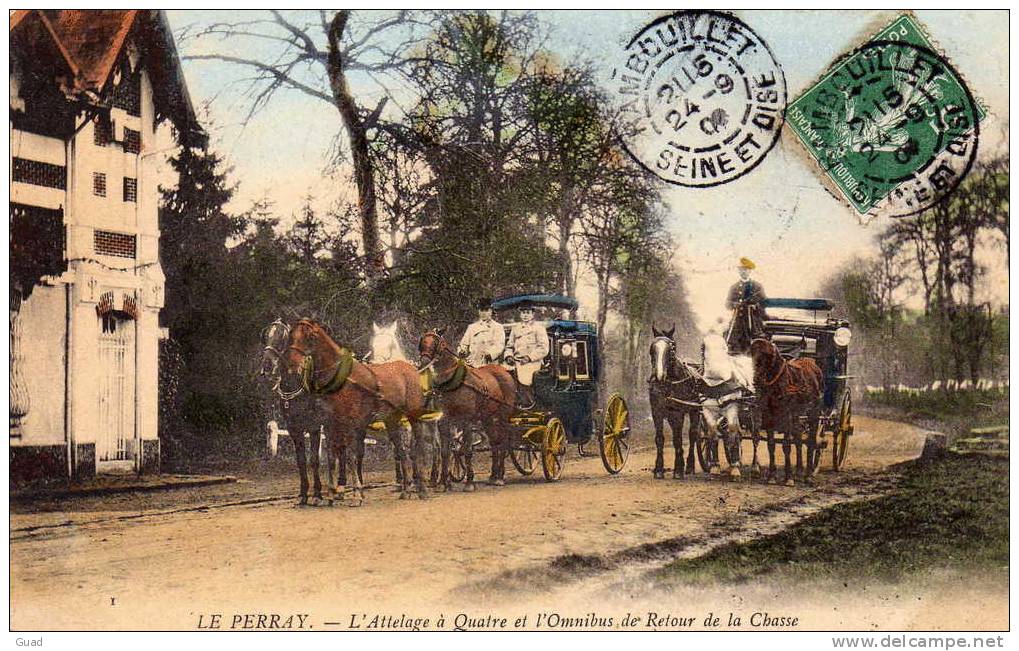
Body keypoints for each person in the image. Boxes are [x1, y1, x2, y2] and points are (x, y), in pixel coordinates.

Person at [504, 305, 550, 409]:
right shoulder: (515, 329)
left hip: (532, 362)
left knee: (524, 377)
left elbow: (543, 348)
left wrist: (529, 358)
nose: (525, 315)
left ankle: (527, 403)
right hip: (516, 361)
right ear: (520, 314)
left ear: (532, 314)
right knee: (502, 375)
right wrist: (509, 356)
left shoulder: (539, 328)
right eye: (523, 313)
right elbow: (509, 346)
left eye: (528, 312)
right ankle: (507, 403)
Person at [725, 257, 767, 354]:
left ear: (750, 271)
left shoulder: (757, 286)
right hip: (738, 322)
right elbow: (727, 303)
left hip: (753, 322)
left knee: (756, 345)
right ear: (738, 271)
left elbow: (764, 302)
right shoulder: (734, 287)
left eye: (746, 269)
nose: (743, 272)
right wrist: (735, 304)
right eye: (741, 269)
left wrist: (755, 306)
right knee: (733, 345)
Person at [457, 297, 506, 367]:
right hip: (472, 363)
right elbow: (464, 344)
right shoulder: (472, 327)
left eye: (486, 310)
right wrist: (462, 351)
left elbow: (499, 346)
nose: (483, 313)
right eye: (481, 310)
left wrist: (490, 354)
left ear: (491, 311)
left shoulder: (497, 327)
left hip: (489, 364)